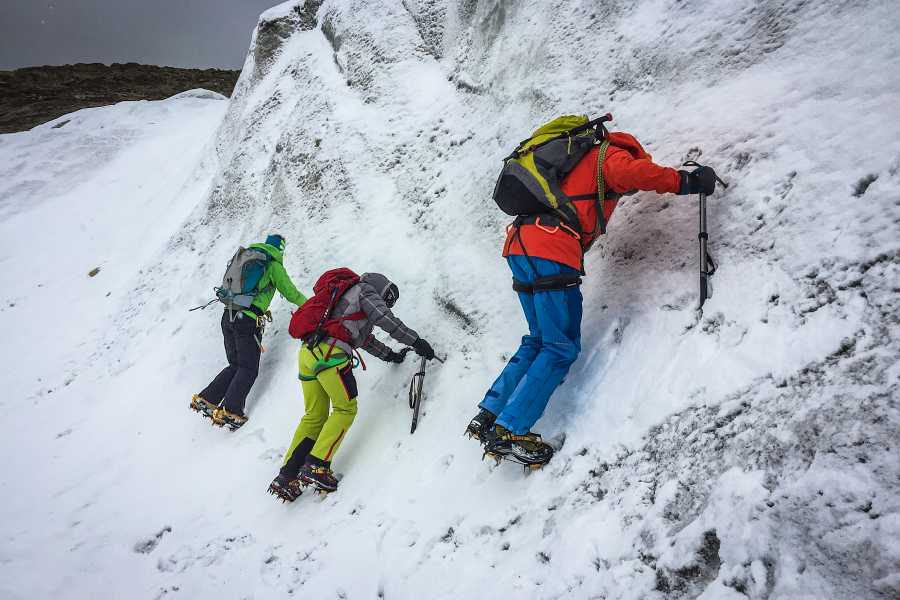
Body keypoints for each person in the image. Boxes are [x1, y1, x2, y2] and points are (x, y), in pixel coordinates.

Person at [466, 127, 721, 466]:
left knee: (538, 339)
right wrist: (686, 181)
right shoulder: (610, 153)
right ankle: (510, 429)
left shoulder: (571, 162)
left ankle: (488, 415)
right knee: (559, 347)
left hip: (519, 244)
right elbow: (633, 172)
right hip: (551, 248)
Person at [268, 271, 434, 499]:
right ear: (383, 289)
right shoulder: (365, 290)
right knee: (345, 409)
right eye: (388, 299)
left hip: (308, 354)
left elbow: (365, 340)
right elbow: (386, 320)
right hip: (330, 355)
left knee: (314, 417)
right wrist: (417, 342)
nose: (388, 304)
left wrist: (391, 356)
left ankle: (286, 476)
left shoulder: (343, 302)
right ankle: (317, 464)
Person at [191, 234, 307, 430]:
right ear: (280, 249)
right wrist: (311, 305)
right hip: (246, 321)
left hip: (227, 316)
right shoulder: (272, 265)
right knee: (248, 368)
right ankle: (231, 411)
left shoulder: (246, 259)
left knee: (236, 365)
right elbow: (291, 292)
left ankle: (207, 399)